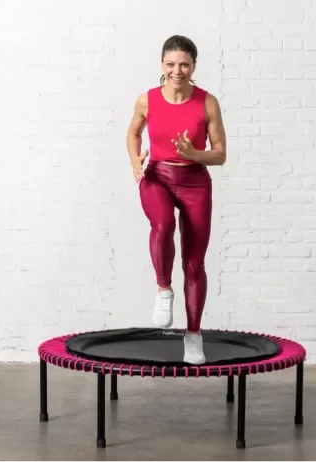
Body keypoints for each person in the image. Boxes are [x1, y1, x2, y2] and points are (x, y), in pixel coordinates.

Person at [126, 35, 227, 365]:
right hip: (156, 176)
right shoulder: (147, 100)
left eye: (184, 64)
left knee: (194, 263)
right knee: (163, 223)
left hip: (195, 181)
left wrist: (194, 154)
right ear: (162, 65)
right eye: (170, 64)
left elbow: (220, 155)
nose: (177, 70)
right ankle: (164, 289)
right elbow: (133, 132)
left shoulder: (207, 102)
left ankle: (194, 336)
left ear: (194, 66)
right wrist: (134, 160)